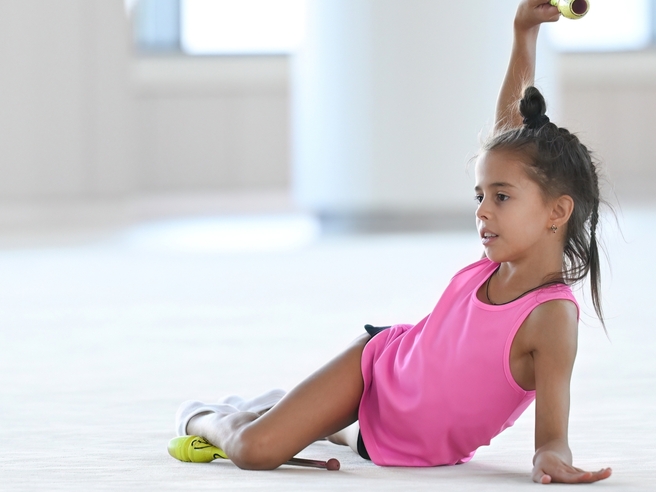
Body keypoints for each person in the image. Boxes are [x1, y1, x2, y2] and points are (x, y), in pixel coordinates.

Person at [168, 0, 612, 484]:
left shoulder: (550, 318)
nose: (483, 210)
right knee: (255, 450)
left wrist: (550, 455)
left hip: (389, 440)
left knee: (344, 434)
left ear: (558, 211)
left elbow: (551, 438)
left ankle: (283, 408)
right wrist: (524, 33)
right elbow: (511, 136)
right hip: (377, 367)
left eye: (501, 197)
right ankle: (209, 416)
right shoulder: (498, 266)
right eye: (480, 195)